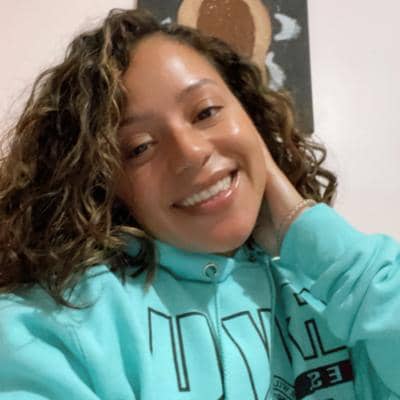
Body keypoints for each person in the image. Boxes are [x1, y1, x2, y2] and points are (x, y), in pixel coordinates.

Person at [0, 8, 399, 400]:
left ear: (251, 118)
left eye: (206, 112)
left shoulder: (344, 295)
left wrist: (302, 227)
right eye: (139, 147)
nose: (190, 152)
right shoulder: (55, 328)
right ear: (103, 182)